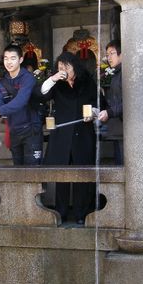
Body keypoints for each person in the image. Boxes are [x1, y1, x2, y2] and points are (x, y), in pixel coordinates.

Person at [39, 51, 100, 224]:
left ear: (74, 67)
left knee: (82, 174)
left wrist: (94, 113)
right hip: (62, 134)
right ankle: (62, 211)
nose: (63, 70)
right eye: (59, 68)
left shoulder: (87, 82)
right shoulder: (57, 84)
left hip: (83, 133)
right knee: (62, 174)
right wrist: (53, 78)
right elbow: (41, 94)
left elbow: (98, 103)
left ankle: (82, 213)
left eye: (66, 67)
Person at [0, 44, 43, 165]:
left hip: (31, 129)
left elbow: (21, 101)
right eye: (6, 58)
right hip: (14, 130)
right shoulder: (2, 82)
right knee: (17, 170)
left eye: (13, 58)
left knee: (34, 171)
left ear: (20, 59)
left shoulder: (28, 78)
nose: (9, 62)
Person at [97, 39, 123, 165]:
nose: (109, 58)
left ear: (122, 54)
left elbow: (131, 102)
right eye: (107, 55)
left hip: (126, 128)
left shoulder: (126, 73)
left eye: (112, 53)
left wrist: (110, 112)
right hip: (117, 128)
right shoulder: (115, 74)